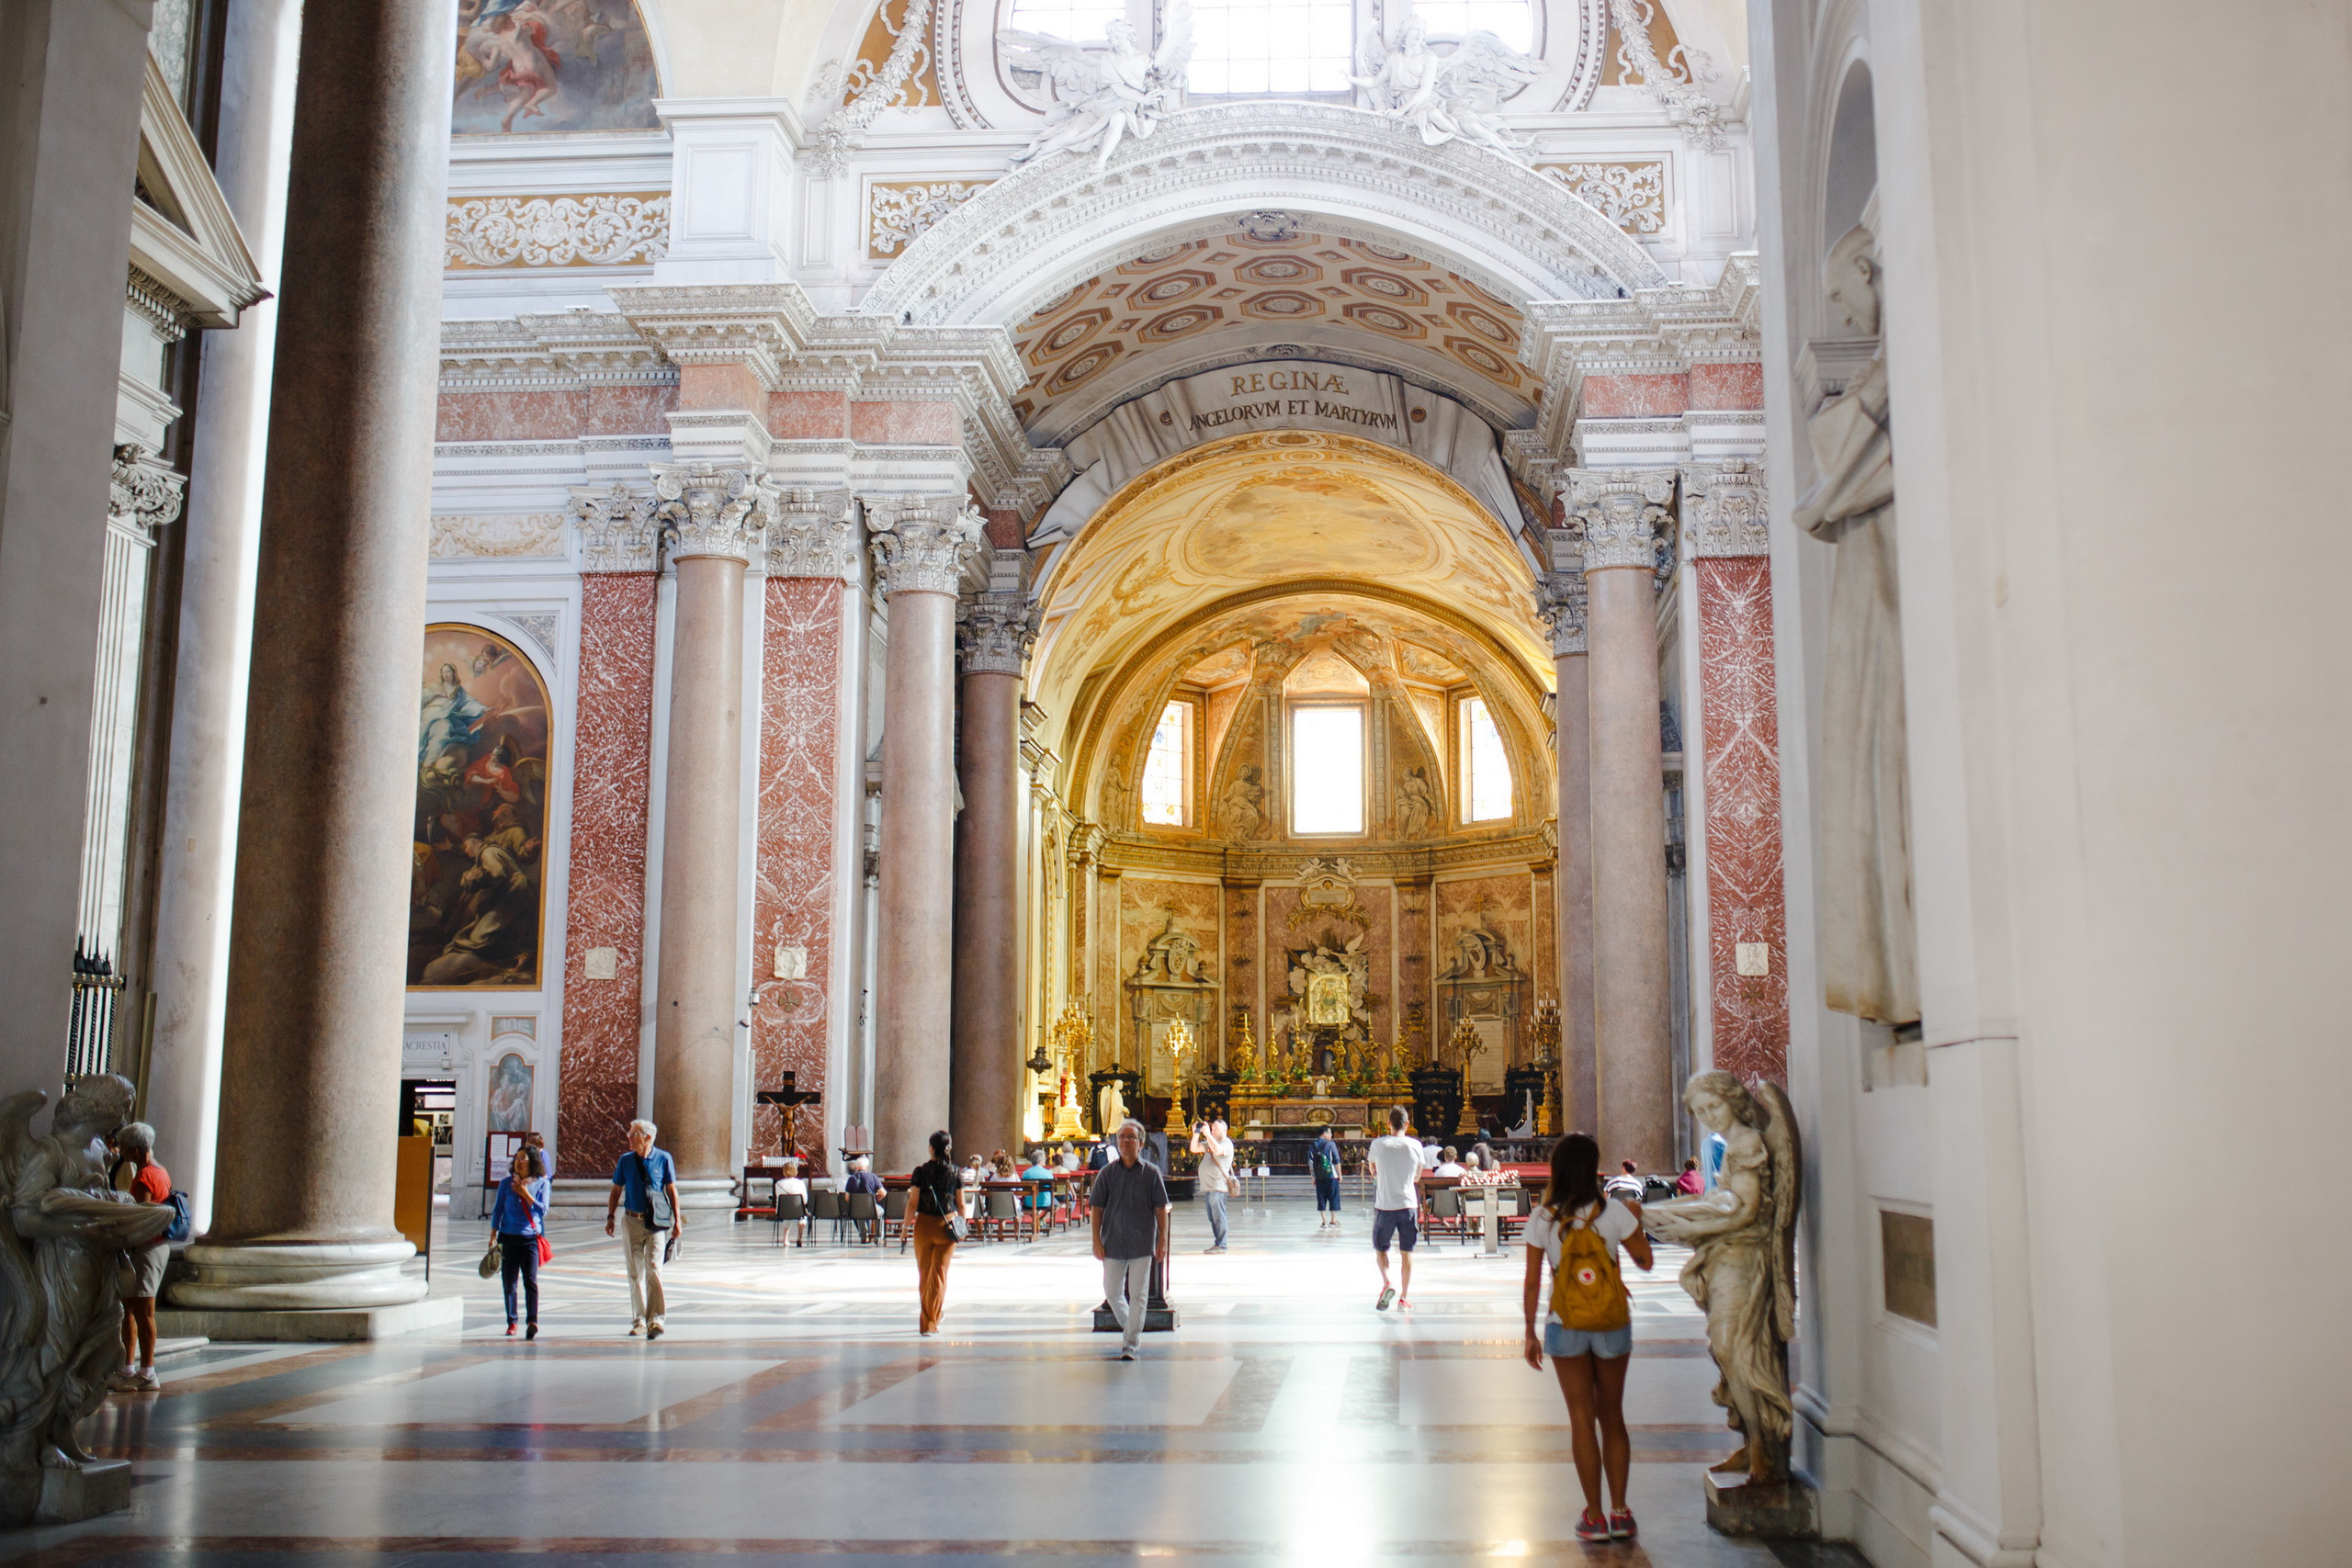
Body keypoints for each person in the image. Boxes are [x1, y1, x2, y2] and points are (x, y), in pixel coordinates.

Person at [1522, 1132, 1655, 1544]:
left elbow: (1531, 1282)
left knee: (1581, 1419)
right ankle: (1621, 1512)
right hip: (1612, 1321)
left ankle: (1594, 1517)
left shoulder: (1543, 1217)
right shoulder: (1615, 1211)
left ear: (1558, 1170)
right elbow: (1646, 1262)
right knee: (1611, 1416)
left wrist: (1529, 1332)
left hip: (1566, 1324)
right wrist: (1634, 1219)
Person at [1091, 1119, 1170, 1360]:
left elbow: (1160, 1209)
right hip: (1113, 1241)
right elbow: (1096, 1208)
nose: (1126, 1141)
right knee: (1112, 1292)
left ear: (1141, 1143)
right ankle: (1131, 1329)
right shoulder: (1107, 1173)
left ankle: (1131, 1344)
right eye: (1122, 1137)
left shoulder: (1151, 1173)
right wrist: (1096, 1240)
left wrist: (1162, 1240)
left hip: (1141, 1242)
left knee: (1138, 1295)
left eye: (1131, 1137)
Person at [604, 1118, 684, 1339]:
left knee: (653, 1269)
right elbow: (616, 1190)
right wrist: (610, 1217)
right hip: (631, 1221)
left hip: (656, 1224)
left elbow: (671, 1191)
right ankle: (639, 1320)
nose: (629, 1138)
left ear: (647, 1138)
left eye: (633, 1134)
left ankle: (656, 1320)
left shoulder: (663, 1158)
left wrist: (677, 1221)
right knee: (635, 1272)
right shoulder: (625, 1161)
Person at [107, 1122, 172, 1392]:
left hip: (146, 1249)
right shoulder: (160, 1170)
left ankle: (147, 1371)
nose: (123, 1154)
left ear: (135, 1149)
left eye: (125, 1150)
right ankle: (129, 1368)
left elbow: (141, 1219)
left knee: (143, 1312)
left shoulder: (145, 1176)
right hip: (151, 1249)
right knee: (130, 1309)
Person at [1365, 1107, 1427, 1311]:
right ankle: (1404, 1298)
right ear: (1407, 1124)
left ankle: (1387, 1282)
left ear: (1388, 1124)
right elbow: (1418, 1176)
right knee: (1407, 1252)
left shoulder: (1378, 1144)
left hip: (1384, 1205)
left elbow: (1372, 1171)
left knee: (1381, 1248)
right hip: (1408, 1204)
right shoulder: (1416, 1145)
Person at [493, 1145, 550, 1338]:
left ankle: (532, 1321)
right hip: (508, 1237)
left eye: (523, 1158)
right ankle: (512, 1321)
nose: (518, 1161)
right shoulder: (505, 1184)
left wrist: (526, 1194)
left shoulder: (542, 1184)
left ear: (532, 1162)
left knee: (530, 1281)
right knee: (509, 1283)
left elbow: (543, 1210)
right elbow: (498, 1210)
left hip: (529, 1239)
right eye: (516, 1158)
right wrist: (493, 1234)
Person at [910, 1131, 962, 1336]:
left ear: (931, 1148)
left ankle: (928, 1320)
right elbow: (961, 1204)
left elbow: (913, 1203)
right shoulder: (955, 1172)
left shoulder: (920, 1172)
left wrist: (905, 1228)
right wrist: (962, 1225)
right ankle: (932, 1321)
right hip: (947, 1225)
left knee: (924, 1275)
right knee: (939, 1275)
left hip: (923, 1225)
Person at [1188, 1118, 1234, 1253]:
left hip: (1218, 1187)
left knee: (1219, 1216)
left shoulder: (1226, 1144)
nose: (1213, 1131)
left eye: (1216, 1129)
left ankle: (1222, 1244)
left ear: (1224, 1130)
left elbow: (1218, 1151)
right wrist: (1196, 1133)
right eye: (1212, 1128)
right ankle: (1218, 1243)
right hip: (1209, 1187)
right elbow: (1194, 1148)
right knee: (1212, 1217)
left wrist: (1208, 1134)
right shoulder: (1210, 1142)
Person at [1310, 1126, 1343, 1230]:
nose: (1331, 1135)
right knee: (1333, 1196)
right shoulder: (1331, 1144)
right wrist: (1340, 1174)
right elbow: (1336, 1160)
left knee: (1321, 1198)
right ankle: (1333, 1220)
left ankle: (1324, 1222)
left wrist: (1313, 1176)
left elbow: (1310, 1162)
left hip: (1319, 1176)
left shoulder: (1313, 1145)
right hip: (1331, 1175)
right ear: (1324, 1134)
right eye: (1330, 1133)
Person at [843, 1155, 883, 1241]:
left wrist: (856, 1200)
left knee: (858, 1209)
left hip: (857, 1210)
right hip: (871, 1208)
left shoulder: (851, 1179)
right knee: (880, 1211)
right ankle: (877, 1236)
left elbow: (847, 1198)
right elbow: (883, 1193)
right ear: (867, 1167)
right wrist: (877, 1198)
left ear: (857, 1167)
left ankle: (863, 1236)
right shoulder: (873, 1177)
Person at [1020, 1147, 1056, 1213]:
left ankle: (1036, 1219)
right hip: (1045, 1202)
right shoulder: (1048, 1173)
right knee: (1057, 1204)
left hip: (1030, 1203)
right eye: (1044, 1159)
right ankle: (1042, 1219)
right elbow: (1052, 1189)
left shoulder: (1026, 1173)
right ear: (1040, 1161)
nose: (1045, 1160)